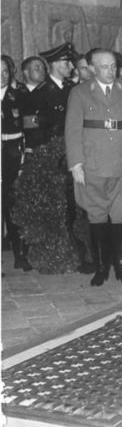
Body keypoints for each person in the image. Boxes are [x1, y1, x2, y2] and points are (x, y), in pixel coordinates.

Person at [64, 48, 122, 287]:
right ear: (91, 69)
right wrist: (75, 164)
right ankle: (101, 269)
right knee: (97, 215)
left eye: (113, 66)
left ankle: (121, 268)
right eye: (104, 66)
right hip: (93, 165)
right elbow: (72, 129)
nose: (110, 71)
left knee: (121, 216)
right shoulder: (79, 93)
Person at [1, 55, 32, 271]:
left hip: (12, 155)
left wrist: (26, 152)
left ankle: (19, 254)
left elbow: (29, 126)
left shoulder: (19, 96)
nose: (2, 75)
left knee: (13, 204)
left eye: (5, 71)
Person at [34, 42, 76, 141]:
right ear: (54, 64)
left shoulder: (74, 88)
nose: (72, 66)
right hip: (51, 146)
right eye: (67, 63)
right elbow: (37, 129)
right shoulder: (40, 92)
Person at [19, 56, 47, 153]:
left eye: (44, 68)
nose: (42, 71)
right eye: (37, 68)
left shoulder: (49, 93)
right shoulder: (18, 95)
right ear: (26, 72)